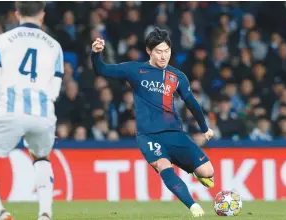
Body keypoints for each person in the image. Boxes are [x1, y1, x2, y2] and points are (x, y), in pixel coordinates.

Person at [91, 27, 214, 217]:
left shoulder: (177, 76)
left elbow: (192, 103)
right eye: (159, 51)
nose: (164, 56)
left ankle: (191, 169)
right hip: (148, 135)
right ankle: (193, 206)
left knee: (207, 171)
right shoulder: (135, 70)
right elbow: (102, 69)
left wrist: (204, 128)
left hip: (174, 133)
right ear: (149, 51)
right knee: (163, 165)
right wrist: (96, 54)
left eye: (167, 51)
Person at [0, 2, 63, 220]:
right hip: (43, 112)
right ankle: (45, 214)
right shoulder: (54, 46)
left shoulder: (2, 41)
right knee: (41, 157)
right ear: (42, 15)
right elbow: (55, 86)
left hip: (11, 109)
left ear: (17, 14)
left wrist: (5, 110)